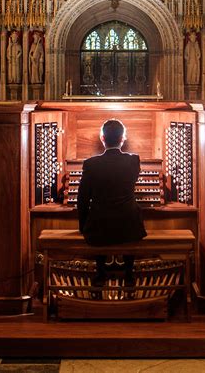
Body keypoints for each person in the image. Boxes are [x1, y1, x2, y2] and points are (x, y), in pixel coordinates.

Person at [77, 118, 146, 288]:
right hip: (129, 225)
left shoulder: (90, 164)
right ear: (123, 138)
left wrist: (83, 226)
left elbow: (82, 198)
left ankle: (100, 273)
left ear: (102, 138)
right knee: (129, 215)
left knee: (99, 219)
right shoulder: (133, 160)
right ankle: (129, 274)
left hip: (99, 226)